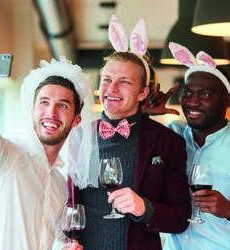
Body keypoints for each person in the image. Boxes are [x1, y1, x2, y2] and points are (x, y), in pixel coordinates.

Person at [68, 16, 191, 250]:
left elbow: (181, 217)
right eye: (107, 79)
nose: (112, 89)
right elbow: (67, 203)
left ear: (143, 93)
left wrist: (144, 208)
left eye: (124, 82)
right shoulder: (78, 135)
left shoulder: (168, 142)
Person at [0, 55, 93, 250]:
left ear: (76, 120)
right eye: (44, 102)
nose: (51, 112)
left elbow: (57, 240)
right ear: (32, 111)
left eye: (63, 105)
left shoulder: (60, 184)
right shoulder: (6, 156)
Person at [146, 42, 230, 250]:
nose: (192, 102)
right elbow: (130, 150)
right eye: (188, 92)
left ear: (227, 100)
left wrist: (229, 210)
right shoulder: (172, 135)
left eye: (205, 95)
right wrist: (143, 114)